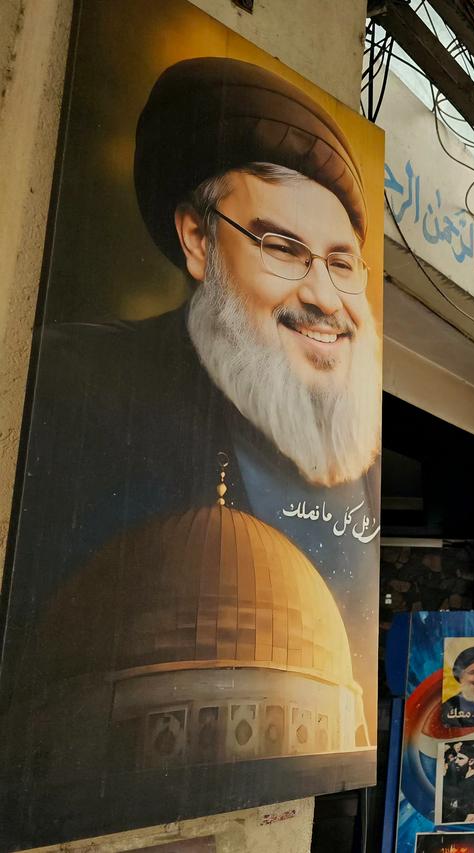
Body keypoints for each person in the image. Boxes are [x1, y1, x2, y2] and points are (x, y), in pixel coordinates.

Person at [4, 57, 382, 663]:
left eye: (340, 263)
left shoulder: (362, 463)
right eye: (282, 248)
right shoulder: (81, 384)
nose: (322, 296)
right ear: (199, 241)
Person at [439, 743, 474, 824]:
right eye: (456, 758)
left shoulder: (473, 783)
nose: (456, 761)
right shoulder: (464, 779)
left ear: (471, 761)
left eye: (460, 758)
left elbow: (473, 817)